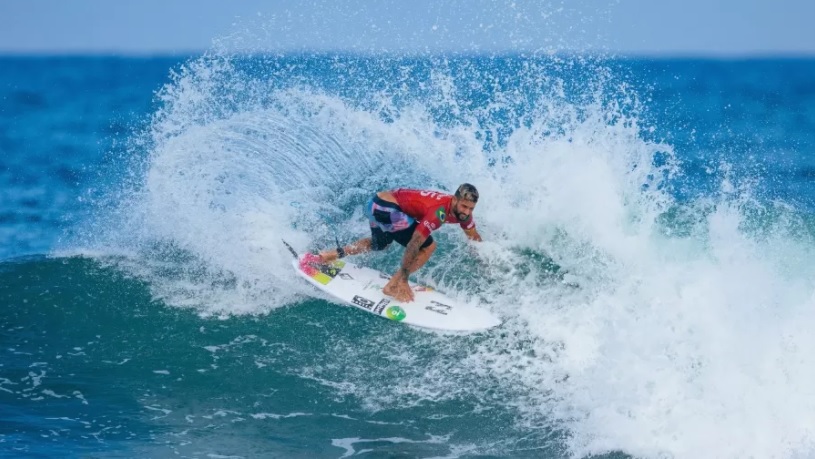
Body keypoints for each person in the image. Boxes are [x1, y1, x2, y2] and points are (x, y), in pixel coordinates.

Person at [316, 183, 482, 302]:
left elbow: (473, 236)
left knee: (379, 244)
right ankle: (393, 285)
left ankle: (330, 255)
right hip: (386, 209)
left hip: (375, 204)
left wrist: (482, 259)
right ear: (454, 200)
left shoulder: (464, 215)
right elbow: (414, 244)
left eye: (471, 208)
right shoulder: (438, 212)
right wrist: (404, 279)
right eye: (463, 206)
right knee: (428, 247)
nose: (466, 211)